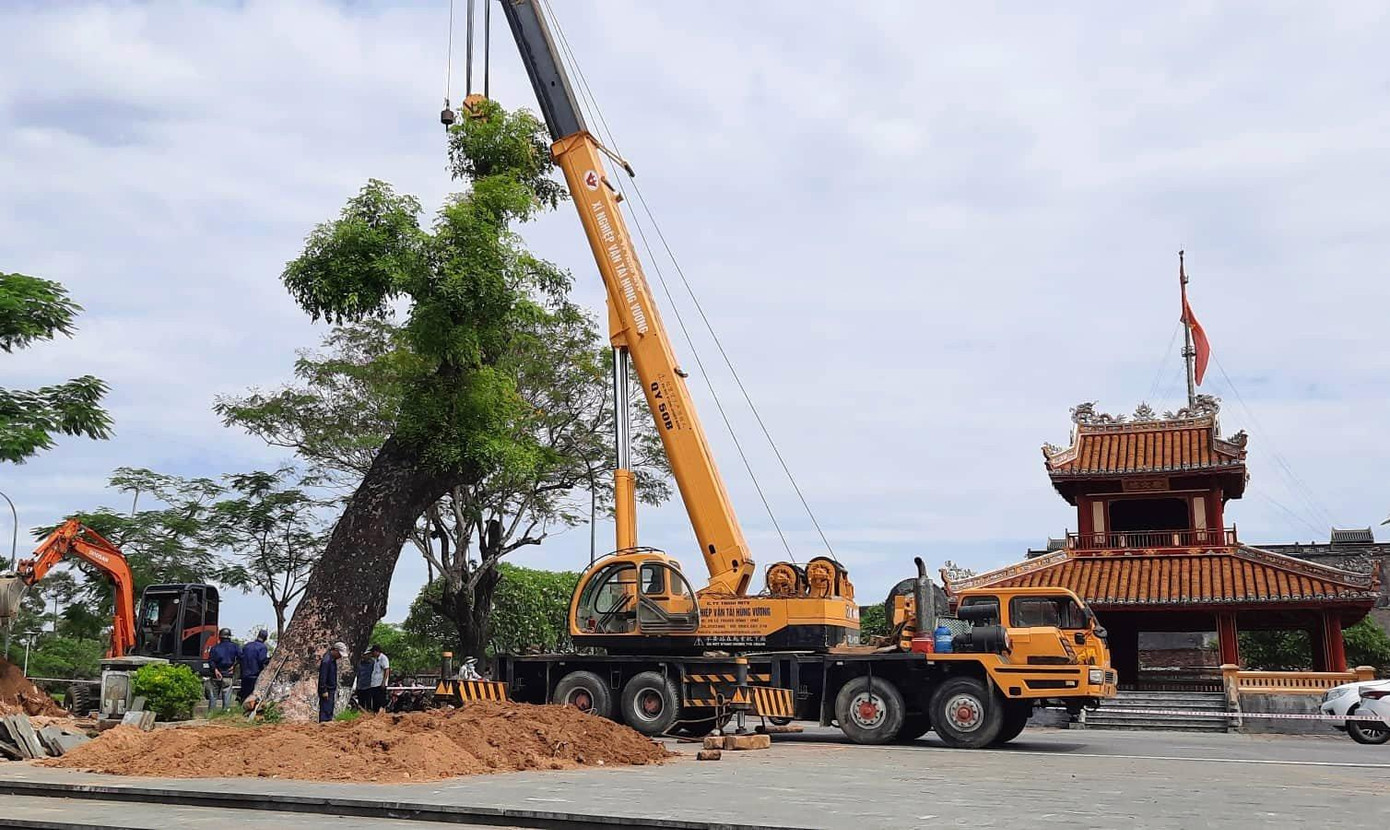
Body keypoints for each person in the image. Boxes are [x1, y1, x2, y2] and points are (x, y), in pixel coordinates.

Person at [207, 628, 241, 710]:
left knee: (213, 697)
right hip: (228, 675)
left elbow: (211, 661)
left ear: (220, 637)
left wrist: (216, 670)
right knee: (226, 697)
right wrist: (234, 666)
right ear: (229, 637)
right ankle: (224, 714)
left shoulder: (215, 648)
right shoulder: (235, 647)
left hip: (216, 676)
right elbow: (241, 658)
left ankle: (211, 715)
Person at [239, 630, 270, 704]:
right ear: (265, 638)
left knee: (244, 694)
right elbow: (262, 660)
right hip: (255, 675)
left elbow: (240, 658)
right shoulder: (262, 647)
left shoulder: (247, 646)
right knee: (253, 696)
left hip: (245, 674)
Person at [318, 642, 345, 723]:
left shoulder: (332, 660)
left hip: (331, 689)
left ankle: (328, 724)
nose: (340, 656)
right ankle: (324, 726)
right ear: (335, 650)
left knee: (329, 709)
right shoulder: (327, 660)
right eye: (339, 654)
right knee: (325, 710)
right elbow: (323, 677)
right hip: (327, 690)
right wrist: (324, 690)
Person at [366, 644, 390, 713]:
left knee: (380, 701)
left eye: (373, 652)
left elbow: (387, 670)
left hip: (380, 684)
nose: (372, 654)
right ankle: (376, 714)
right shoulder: (376, 660)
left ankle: (381, 714)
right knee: (375, 702)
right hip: (375, 684)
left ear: (376, 651)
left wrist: (383, 682)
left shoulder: (383, 658)